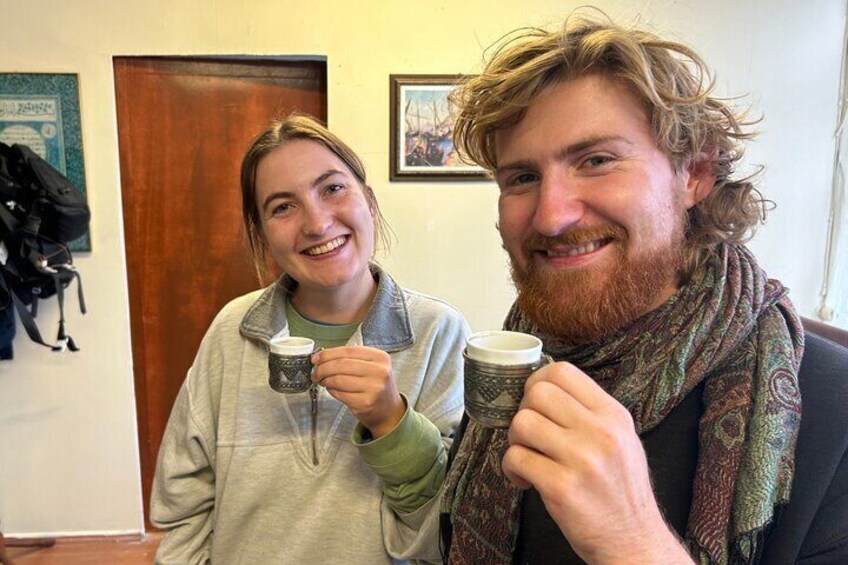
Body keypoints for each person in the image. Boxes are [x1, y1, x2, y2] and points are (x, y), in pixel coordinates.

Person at [439, 12, 848, 565]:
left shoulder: (832, 411)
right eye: (522, 178)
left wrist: (634, 544)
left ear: (694, 175)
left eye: (597, 160)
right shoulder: (517, 363)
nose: (551, 215)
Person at [150, 114, 469, 564]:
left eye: (333, 188)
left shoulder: (439, 331)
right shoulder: (230, 330)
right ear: (261, 234)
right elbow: (183, 502)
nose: (317, 223)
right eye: (283, 207)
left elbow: (446, 526)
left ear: (369, 201)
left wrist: (391, 421)